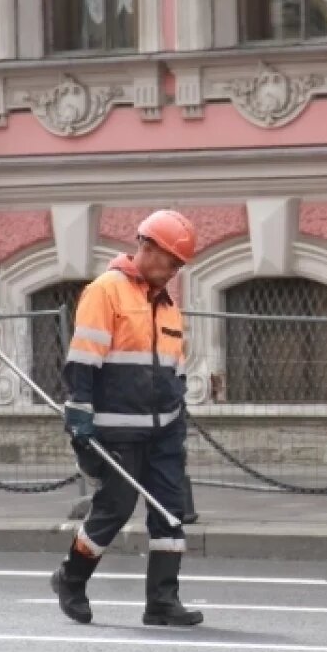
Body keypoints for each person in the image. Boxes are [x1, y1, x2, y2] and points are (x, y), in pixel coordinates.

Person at [51, 209, 203, 627]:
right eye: (171, 261)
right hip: (117, 427)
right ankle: (71, 578)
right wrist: (80, 412)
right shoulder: (106, 292)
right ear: (146, 247)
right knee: (114, 508)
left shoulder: (168, 306)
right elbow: (83, 360)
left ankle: (162, 602)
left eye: (179, 266)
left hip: (165, 429)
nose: (174, 271)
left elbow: (175, 368)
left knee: (170, 512)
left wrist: (179, 415)